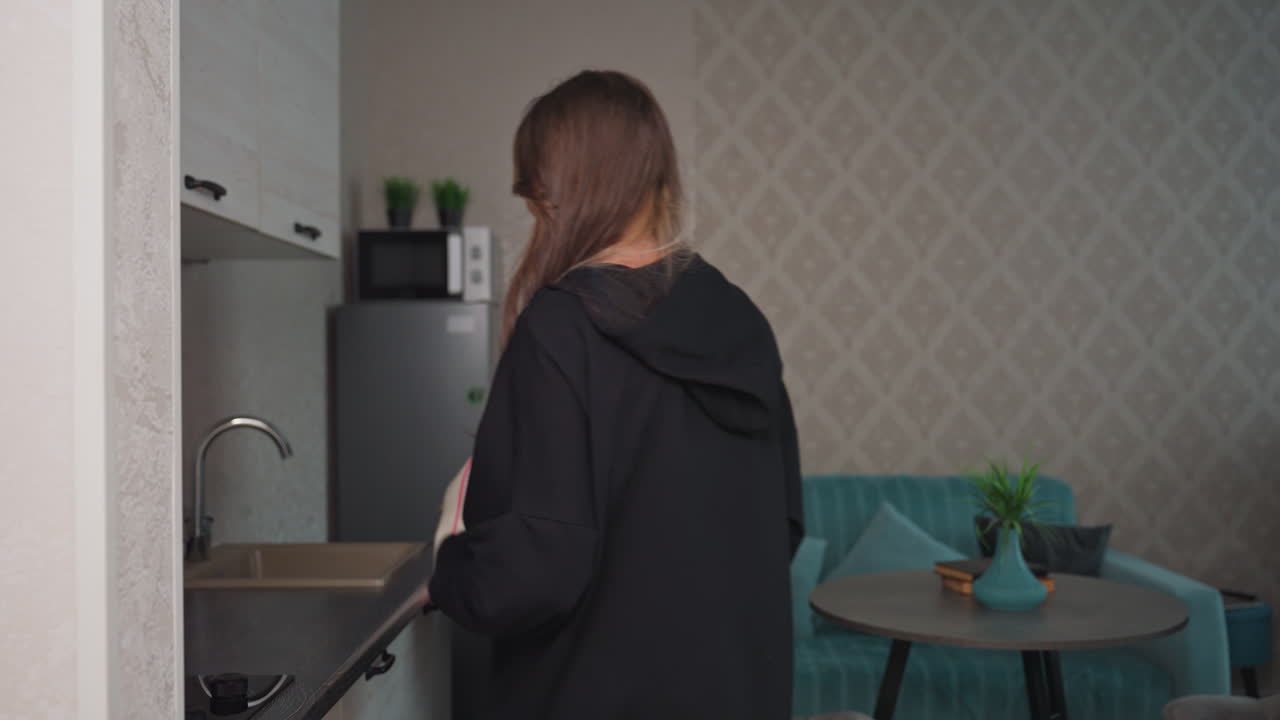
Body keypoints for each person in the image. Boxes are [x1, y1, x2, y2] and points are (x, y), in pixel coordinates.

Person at [428, 69, 803, 720]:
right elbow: (785, 525)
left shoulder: (560, 328)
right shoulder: (744, 323)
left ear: (562, 194)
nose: (540, 224)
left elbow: (531, 575)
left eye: (541, 203)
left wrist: (449, 562)